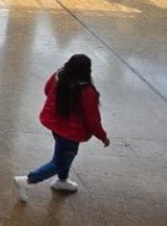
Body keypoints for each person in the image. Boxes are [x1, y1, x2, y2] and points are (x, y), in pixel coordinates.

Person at [13, 54, 109, 203]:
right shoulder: (87, 91)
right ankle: (28, 180)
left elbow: (47, 90)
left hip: (56, 125)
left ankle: (62, 181)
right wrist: (103, 136)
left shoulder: (59, 76)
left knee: (63, 155)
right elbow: (93, 119)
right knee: (61, 161)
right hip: (72, 132)